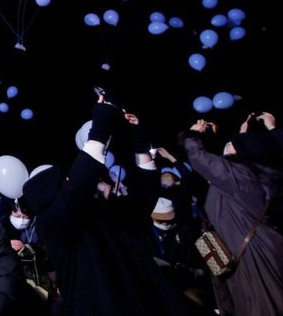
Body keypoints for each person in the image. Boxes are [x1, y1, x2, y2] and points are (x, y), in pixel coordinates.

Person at [20, 97, 192, 316]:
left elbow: (146, 196)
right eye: (64, 180)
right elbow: (78, 187)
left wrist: (139, 140)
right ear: (50, 194)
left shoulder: (105, 213)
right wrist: (100, 126)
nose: (70, 180)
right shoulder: (53, 225)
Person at [179, 119, 283, 315]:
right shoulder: (254, 175)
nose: (228, 144)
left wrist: (193, 136)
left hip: (251, 257)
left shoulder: (239, 176)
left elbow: (201, 159)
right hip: (260, 247)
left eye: (232, 143)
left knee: (260, 304)